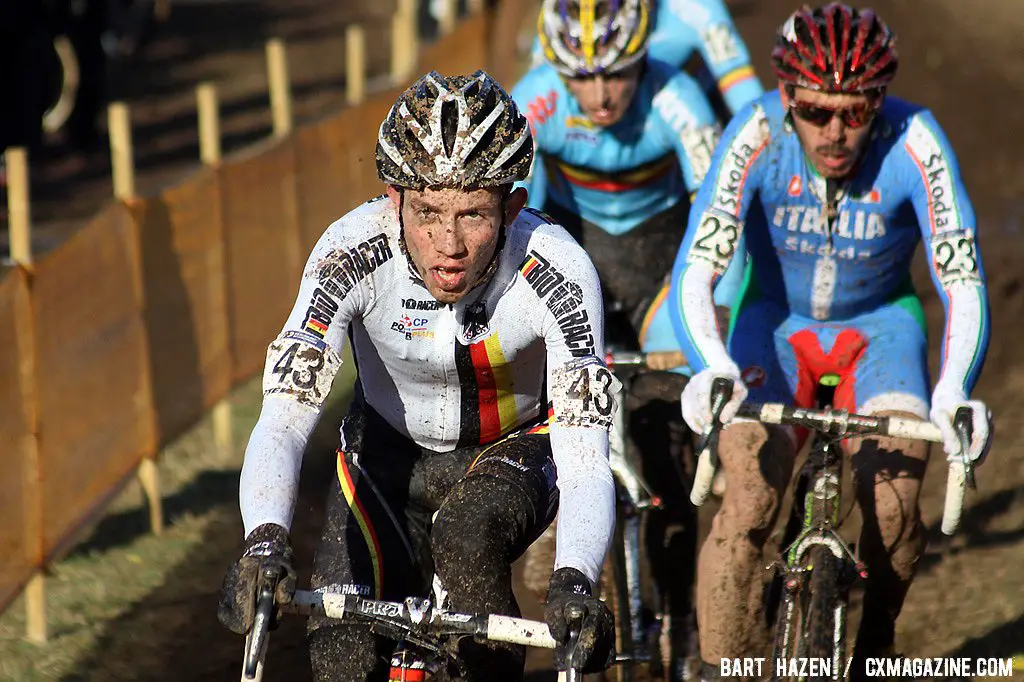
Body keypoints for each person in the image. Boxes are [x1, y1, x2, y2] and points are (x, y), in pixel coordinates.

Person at [216, 70, 619, 681]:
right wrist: (264, 540)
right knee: (341, 656)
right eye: (427, 211)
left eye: (473, 214)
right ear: (393, 198)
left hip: (515, 452)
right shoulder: (348, 253)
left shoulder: (559, 269)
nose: (448, 243)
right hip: (386, 453)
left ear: (511, 206)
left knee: (467, 532)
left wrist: (575, 580)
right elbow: (284, 417)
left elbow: (586, 452)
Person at [667, 4, 993, 680]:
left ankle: (875, 648)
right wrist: (712, 363)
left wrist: (955, 387)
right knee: (749, 504)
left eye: (856, 111)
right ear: (788, 97)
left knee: (896, 515)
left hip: (879, 334)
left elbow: (961, 277)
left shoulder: (915, 139)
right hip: (774, 331)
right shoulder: (755, 130)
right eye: (816, 112)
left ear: (880, 99)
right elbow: (698, 266)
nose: (836, 133)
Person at [511, 0, 743, 677]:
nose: (601, 93)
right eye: (581, 77)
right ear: (556, 69)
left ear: (644, 57)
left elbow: (720, 215)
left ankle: (682, 626)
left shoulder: (677, 95)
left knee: (663, 446)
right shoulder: (537, 100)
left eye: (616, 74)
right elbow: (510, 220)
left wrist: (712, 325)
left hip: (665, 268)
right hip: (578, 259)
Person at [529, 0, 765, 120]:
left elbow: (743, 90)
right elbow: (535, 99)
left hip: (690, 123)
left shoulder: (696, 8)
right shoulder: (573, 20)